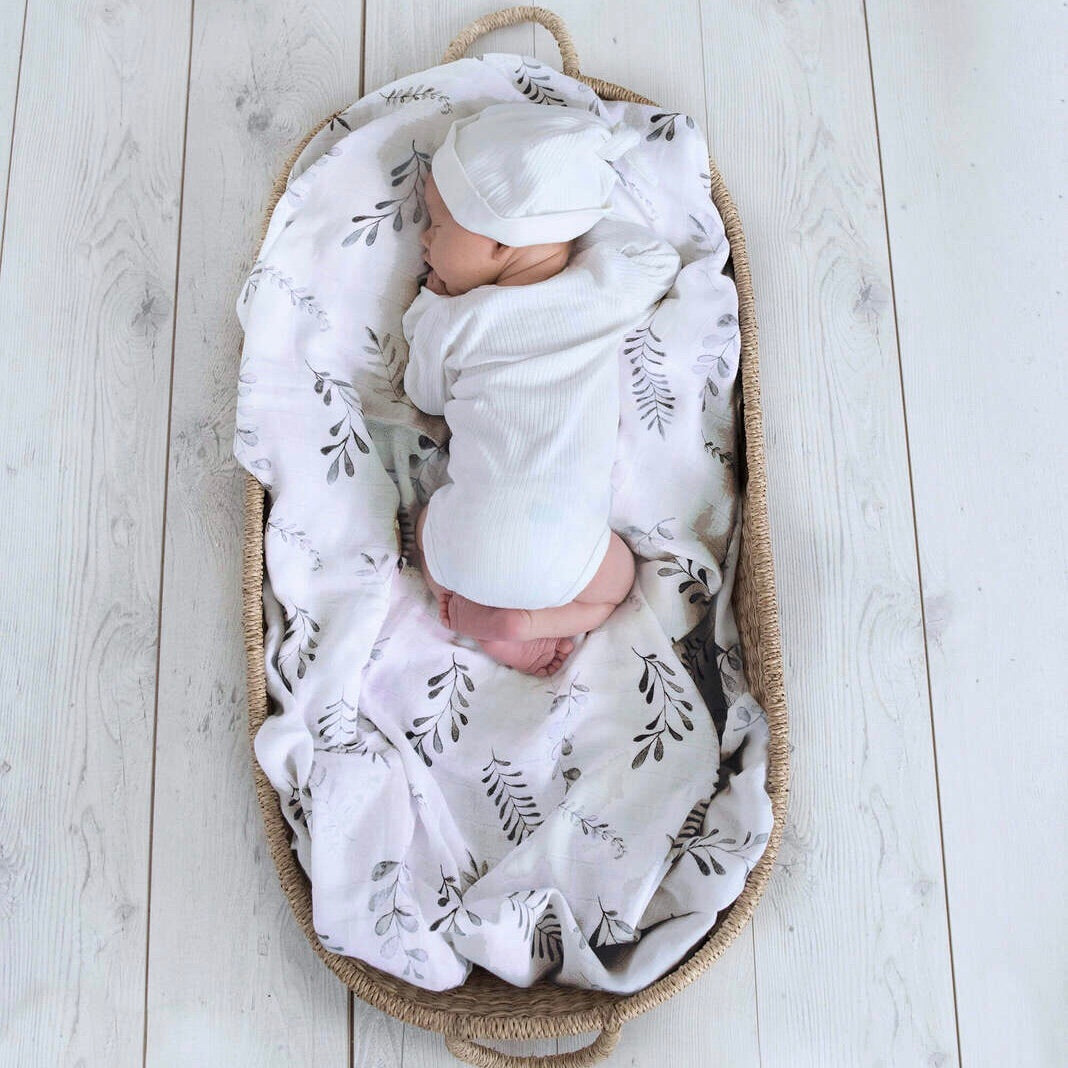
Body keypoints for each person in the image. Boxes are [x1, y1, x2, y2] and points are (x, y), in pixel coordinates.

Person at [402, 102, 680, 676]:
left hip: (461, 544)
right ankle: (524, 624)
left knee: (425, 520)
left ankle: (451, 595)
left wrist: (431, 303)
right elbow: (660, 257)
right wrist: (565, 227)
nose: (424, 242)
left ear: (503, 241)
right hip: (565, 554)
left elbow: (426, 397)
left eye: (438, 225)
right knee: (616, 580)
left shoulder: (456, 321)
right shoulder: (602, 291)